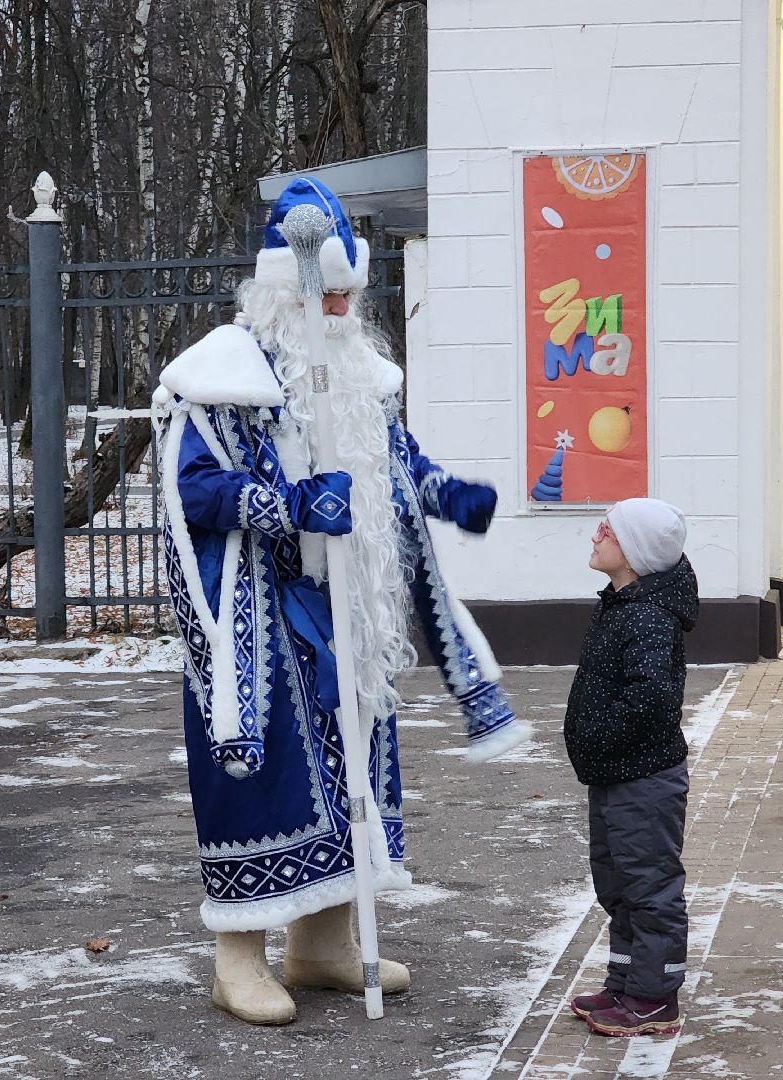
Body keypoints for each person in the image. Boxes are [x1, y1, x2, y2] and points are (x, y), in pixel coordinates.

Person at [154, 176, 532, 1026]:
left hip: (347, 614)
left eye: (350, 295)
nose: (343, 308)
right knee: (268, 784)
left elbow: (395, 460)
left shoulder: (358, 374)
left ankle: (322, 944)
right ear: (284, 291)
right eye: (331, 293)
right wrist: (283, 506)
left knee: (350, 777)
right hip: (259, 618)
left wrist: (442, 493)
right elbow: (195, 492)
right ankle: (237, 958)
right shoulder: (223, 376)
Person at [563, 499, 696, 1038]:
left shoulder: (644, 614)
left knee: (649, 887)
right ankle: (625, 981)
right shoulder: (623, 602)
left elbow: (652, 698)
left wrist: (597, 736)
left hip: (643, 778)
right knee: (617, 883)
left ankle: (655, 997)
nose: (596, 534)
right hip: (617, 774)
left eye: (608, 529)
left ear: (634, 552)